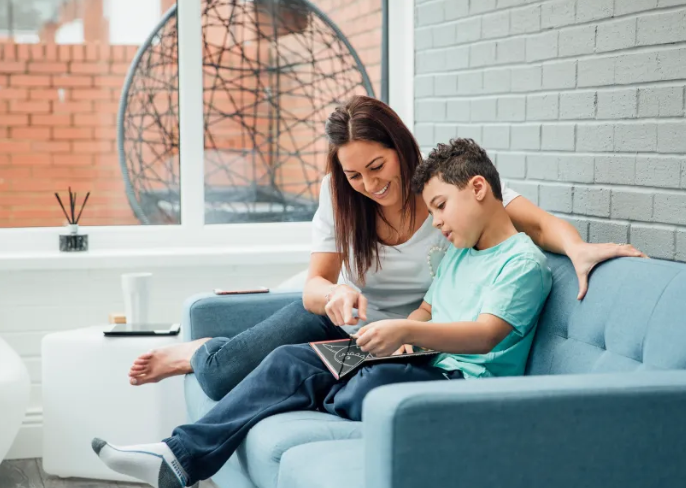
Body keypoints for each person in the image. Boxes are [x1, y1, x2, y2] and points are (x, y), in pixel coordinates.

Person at [92, 138, 554, 488]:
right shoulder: (458, 251)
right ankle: (178, 456)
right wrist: (409, 333)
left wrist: (407, 330)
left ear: (478, 189)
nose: (435, 221)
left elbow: (485, 335)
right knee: (292, 361)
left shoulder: (521, 263)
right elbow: (430, 307)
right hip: (422, 360)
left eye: (440, 207)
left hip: (461, 385)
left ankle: (328, 389)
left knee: (366, 385)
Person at [126, 95, 644, 401]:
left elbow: (537, 224)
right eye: (355, 175)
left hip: (408, 341)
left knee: (284, 379)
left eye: (377, 167)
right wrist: (333, 296)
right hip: (341, 319)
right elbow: (312, 284)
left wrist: (577, 249)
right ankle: (199, 350)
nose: (369, 185)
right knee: (217, 378)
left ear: (400, 150)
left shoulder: (445, 191)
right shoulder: (341, 197)